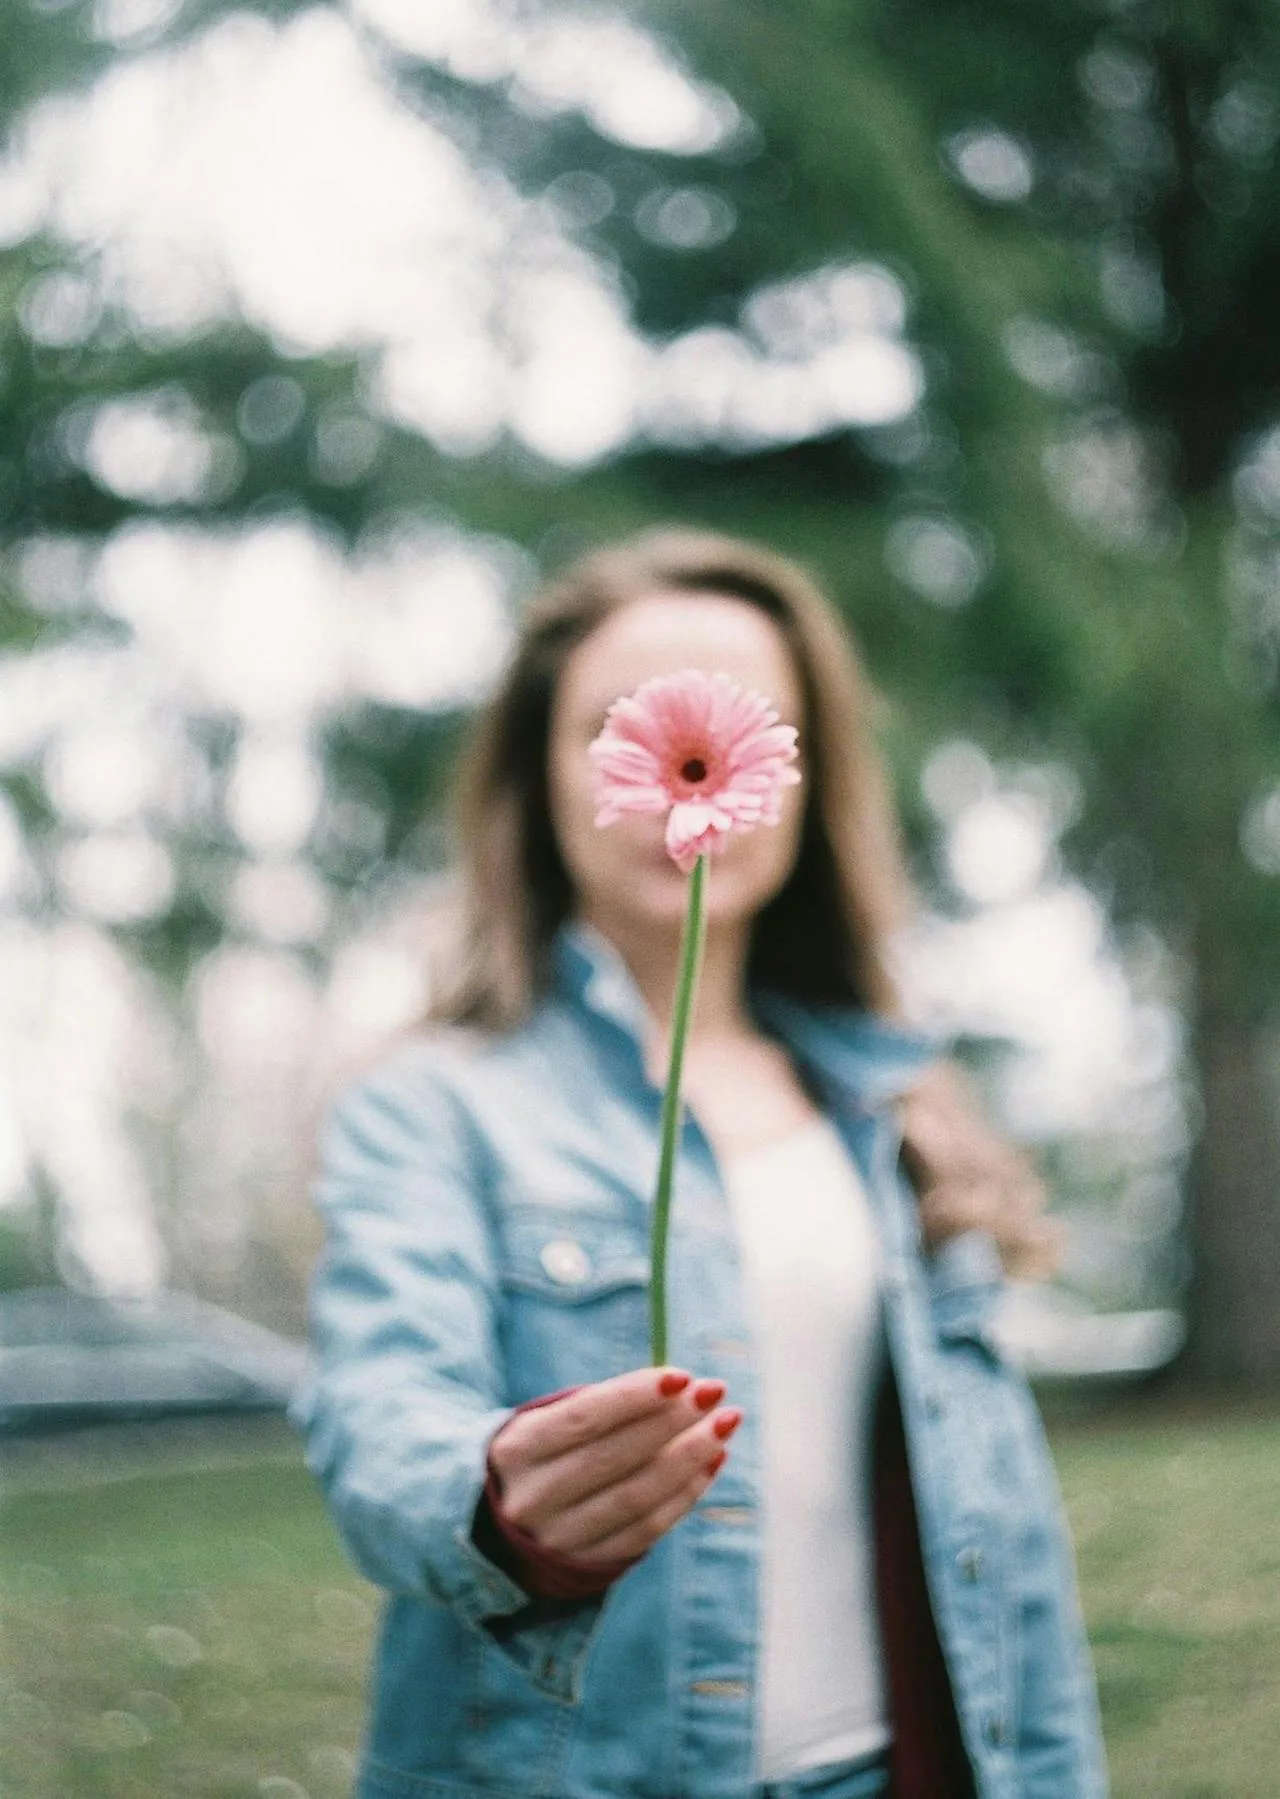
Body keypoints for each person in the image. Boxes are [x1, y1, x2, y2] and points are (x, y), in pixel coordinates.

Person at [296, 529, 1108, 1799]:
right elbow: (375, 1418)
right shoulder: (431, 1105)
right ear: (541, 780)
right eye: (613, 725)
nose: (686, 772)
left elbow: (1008, 1552)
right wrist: (500, 1501)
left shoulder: (897, 1102)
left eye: (750, 725)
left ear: (805, 773)